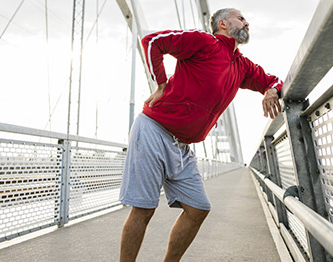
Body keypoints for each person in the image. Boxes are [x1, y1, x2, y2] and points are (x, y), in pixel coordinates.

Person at [119, 8, 283, 262]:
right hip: (153, 129)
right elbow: (152, 41)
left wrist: (271, 90)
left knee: (198, 208)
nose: (247, 22)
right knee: (144, 209)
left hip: (182, 146)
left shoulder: (241, 64)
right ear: (223, 24)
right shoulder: (204, 42)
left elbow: (271, 80)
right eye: (241, 18)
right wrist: (160, 83)